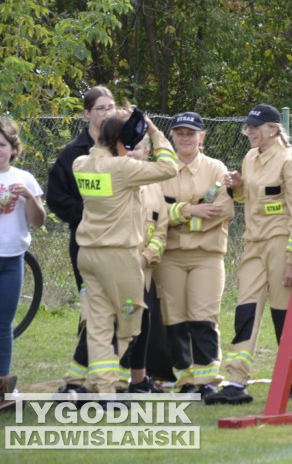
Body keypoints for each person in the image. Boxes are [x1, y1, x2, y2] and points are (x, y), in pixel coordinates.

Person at [207, 105, 292, 405]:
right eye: (248, 127)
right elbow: (247, 199)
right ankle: (237, 380)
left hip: (281, 243)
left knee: (282, 314)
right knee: (245, 310)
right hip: (253, 244)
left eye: (256, 126)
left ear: (274, 129)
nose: (249, 131)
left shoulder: (289, 161)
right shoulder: (250, 158)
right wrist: (236, 188)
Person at [72, 109, 178, 394]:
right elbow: (169, 168)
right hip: (118, 257)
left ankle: (102, 390)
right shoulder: (123, 168)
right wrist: (155, 134)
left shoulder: (81, 163)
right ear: (120, 140)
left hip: (88, 256)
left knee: (98, 323)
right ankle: (106, 383)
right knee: (130, 321)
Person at [156, 112, 235, 397]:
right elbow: (154, 213)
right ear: (173, 137)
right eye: (180, 133)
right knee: (174, 320)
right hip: (170, 257)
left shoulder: (216, 169)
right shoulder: (162, 170)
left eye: (191, 133)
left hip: (207, 256)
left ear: (202, 137)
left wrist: (176, 217)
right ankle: (185, 380)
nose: (185, 138)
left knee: (203, 318)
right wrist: (192, 210)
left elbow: (225, 210)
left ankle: (208, 381)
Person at [46, 86, 115, 391]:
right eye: (101, 108)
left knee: (121, 310)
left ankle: (118, 377)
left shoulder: (123, 149)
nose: (107, 113)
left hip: (123, 245)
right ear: (87, 113)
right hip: (86, 244)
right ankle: (77, 381)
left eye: (111, 108)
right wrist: (90, 215)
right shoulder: (73, 153)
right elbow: (57, 199)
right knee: (92, 310)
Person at [0, 116, 46, 406]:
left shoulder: (24, 179)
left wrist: (31, 199)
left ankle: (1, 389)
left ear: (13, 149)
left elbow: (38, 222)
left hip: (14, 261)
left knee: (2, 325)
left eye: (2, 144)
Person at [120, 131, 168, 393]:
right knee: (120, 325)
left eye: (137, 148)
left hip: (143, 270)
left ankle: (139, 381)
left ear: (146, 153)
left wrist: (146, 256)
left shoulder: (155, 185)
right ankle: (113, 382)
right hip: (116, 270)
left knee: (143, 325)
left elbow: (161, 229)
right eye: (127, 148)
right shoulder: (115, 179)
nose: (131, 153)